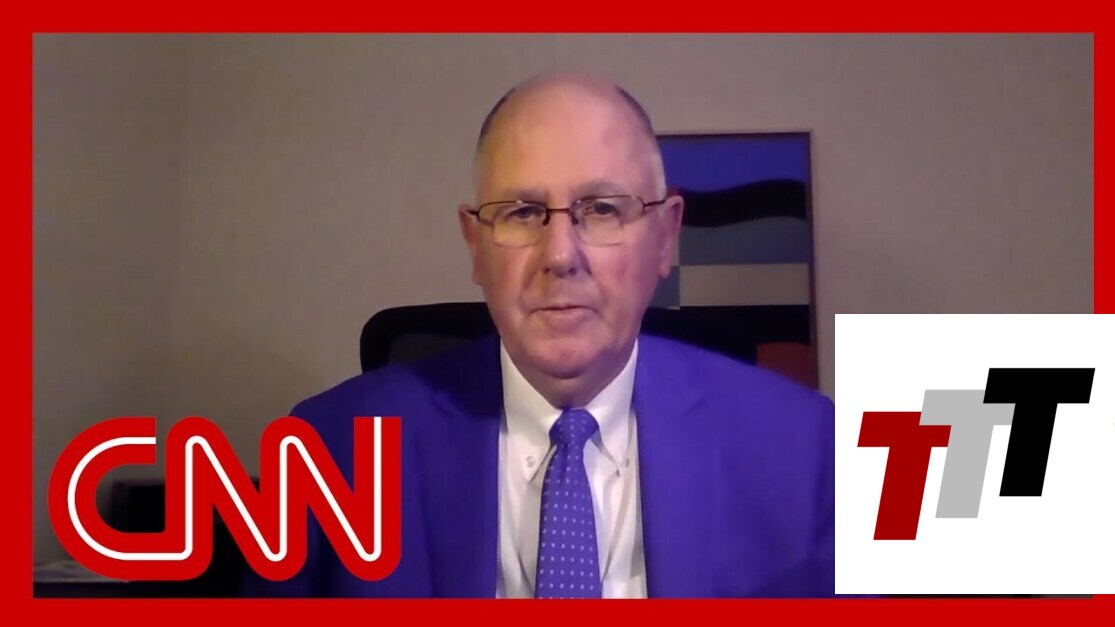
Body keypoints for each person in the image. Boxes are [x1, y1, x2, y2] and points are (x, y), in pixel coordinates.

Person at [252, 70, 835, 598]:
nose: (560, 255)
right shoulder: (326, 451)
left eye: (602, 209)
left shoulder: (810, 451)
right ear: (476, 245)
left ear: (665, 238)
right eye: (522, 212)